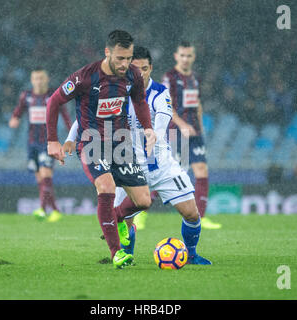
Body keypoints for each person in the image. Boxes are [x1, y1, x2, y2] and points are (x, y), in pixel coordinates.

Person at [64, 46, 211, 265]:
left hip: (160, 164)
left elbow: (163, 115)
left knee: (192, 213)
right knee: (127, 221)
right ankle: (126, 256)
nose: (140, 73)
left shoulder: (160, 92)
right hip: (127, 164)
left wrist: (155, 135)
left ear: (151, 68)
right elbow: (87, 115)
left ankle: (191, 255)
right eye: (136, 68)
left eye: (144, 68)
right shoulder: (114, 89)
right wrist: (69, 137)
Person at [46, 30, 156, 269]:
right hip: (92, 142)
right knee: (106, 187)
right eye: (120, 58)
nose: (125, 64)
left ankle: (114, 219)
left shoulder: (133, 75)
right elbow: (54, 101)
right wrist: (53, 140)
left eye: (128, 58)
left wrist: (148, 128)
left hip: (122, 143)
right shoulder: (85, 77)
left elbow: (139, 101)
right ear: (107, 52)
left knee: (144, 201)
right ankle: (117, 252)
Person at [161, 41, 221, 230]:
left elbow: (197, 104)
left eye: (189, 56)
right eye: (182, 55)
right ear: (176, 56)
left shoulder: (195, 78)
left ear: (193, 57)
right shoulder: (169, 77)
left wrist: (200, 127)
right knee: (164, 173)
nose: (185, 59)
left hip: (194, 132)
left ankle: (200, 217)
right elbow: (166, 105)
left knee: (201, 170)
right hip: (175, 131)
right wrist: (182, 124)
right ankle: (139, 213)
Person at [9, 67, 72, 222]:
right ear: (32, 80)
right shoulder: (26, 96)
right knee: (40, 180)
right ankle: (55, 210)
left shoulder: (53, 96)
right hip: (32, 143)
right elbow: (18, 111)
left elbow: (65, 115)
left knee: (46, 175)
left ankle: (43, 209)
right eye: (36, 78)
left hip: (48, 142)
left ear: (47, 79)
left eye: (41, 78)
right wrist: (14, 118)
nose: (38, 81)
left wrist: (72, 134)